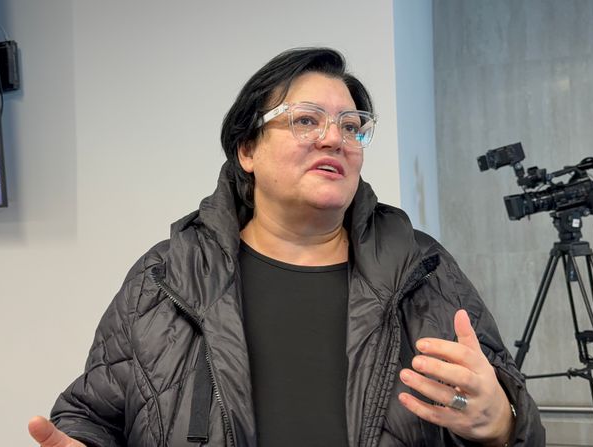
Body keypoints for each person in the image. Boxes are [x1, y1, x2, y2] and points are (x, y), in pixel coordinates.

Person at [28, 47, 544, 446]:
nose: (334, 138)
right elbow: (90, 415)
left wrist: (502, 422)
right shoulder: (167, 276)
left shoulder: (421, 268)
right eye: (306, 120)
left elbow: (515, 416)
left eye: (351, 126)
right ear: (246, 150)